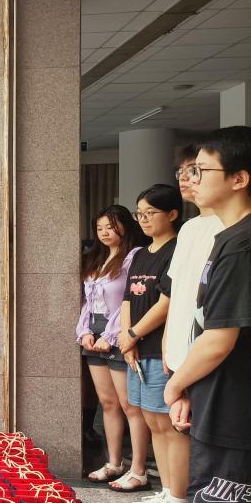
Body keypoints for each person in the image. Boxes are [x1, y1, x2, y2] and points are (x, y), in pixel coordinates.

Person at [165, 125, 251, 503]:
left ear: (239, 178)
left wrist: (176, 384)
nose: (191, 179)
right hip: (224, 400)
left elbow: (220, 338)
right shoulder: (226, 237)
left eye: (201, 170)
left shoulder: (241, 245)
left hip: (237, 411)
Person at [158, 146, 228, 503]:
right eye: (183, 171)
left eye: (197, 171)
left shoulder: (232, 230)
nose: (187, 179)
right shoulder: (190, 229)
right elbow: (178, 296)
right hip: (184, 355)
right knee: (204, 450)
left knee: (227, 458)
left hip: (215, 360)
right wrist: (171, 353)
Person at [116, 185, 181, 499]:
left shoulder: (177, 250)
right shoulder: (140, 254)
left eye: (150, 213)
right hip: (137, 350)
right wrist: (127, 339)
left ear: (172, 214)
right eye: (139, 214)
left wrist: (132, 335)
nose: (143, 219)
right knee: (150, 420)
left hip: (159, 349)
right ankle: (166, 491)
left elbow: (166, 303)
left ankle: (175, 492)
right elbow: (128, 299)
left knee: (165, 422)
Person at [77, 204, 148, 483]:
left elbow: (128, 303)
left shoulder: (134, 257)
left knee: (130, 405)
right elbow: (87, 302)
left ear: (125, 226)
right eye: (99, 228)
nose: (105, 232)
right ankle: (114, 463)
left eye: (111, 226)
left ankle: (138, 469)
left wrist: (109, 336)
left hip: (120, 333)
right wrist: (84, 331)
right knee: (108, 403)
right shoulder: (95, 259)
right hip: (93, 335)